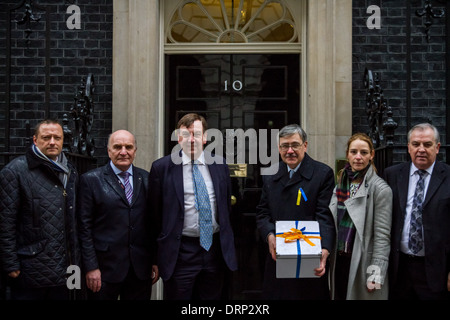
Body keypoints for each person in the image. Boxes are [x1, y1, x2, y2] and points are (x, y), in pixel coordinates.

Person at [148, 113, 237, 300]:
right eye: (186, 134)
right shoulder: (161, 168)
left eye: (196, 134)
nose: (191, 139)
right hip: (180, 252)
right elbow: (154, 214)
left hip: (214, 250)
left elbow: (225, 207)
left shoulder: (220, 165)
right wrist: (155, 257)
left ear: (204, 137)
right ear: (179, 138)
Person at [0, 119, 79, 300]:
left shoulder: (70, 171)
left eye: (57, 137)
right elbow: (5, 222)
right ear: (35, 140)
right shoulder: (15, 171)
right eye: (46, 137)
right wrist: (10, 264)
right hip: (31, 269)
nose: (52, 142)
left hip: (68, 268)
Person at [256, 124, 336, 300]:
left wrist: (325, 249)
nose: (290, 151)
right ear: (278, 148)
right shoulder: (270, 174)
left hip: (310, 255)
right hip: (278, 255)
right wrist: (269, 235)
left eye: (295, 145)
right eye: (285, 146)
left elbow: (324, 214)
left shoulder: (323, 174)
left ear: (305, 146)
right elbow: (262, 213)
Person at [77, 129, 158, 300]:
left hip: (140, 270)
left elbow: (153, 223)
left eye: (128, 147)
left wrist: (155, 260)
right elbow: (84, 228)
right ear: (109, 151)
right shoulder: (91, 180)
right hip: (104, 270)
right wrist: (91, 267)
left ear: (135, 151)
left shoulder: (146, 178)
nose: (123, 152)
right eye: (117, 147)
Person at [384, 123, 450, 300]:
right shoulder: (392, 174)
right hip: (399, 268)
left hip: (435, 270)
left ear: (437, 147)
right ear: (408, 147)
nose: (421, 149)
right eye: (415, 144)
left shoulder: (448, 176)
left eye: (427, 144)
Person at [329, 133, 392, 300]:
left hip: (362, 263)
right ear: (347, 154)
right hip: (339, 260)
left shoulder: (381, 189)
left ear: (372, 155)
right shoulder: (341, 182)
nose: (358, 157)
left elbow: (382, 236)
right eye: (354, 152)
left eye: (363, 152)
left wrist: (376, 274)